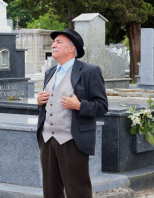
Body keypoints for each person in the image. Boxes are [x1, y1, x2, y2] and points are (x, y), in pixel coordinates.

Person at [37, 28, 108, 198]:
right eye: (54, 42)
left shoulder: (90, 71)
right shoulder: (49, 72)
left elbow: (102, 106)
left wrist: (79, 105)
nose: (53, 45)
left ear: (71, 48)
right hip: (47, 139)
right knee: (50, 190)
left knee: (77, 190)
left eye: (58, 42)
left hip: (72, 140)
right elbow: (51, 104)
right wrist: (40, 103)